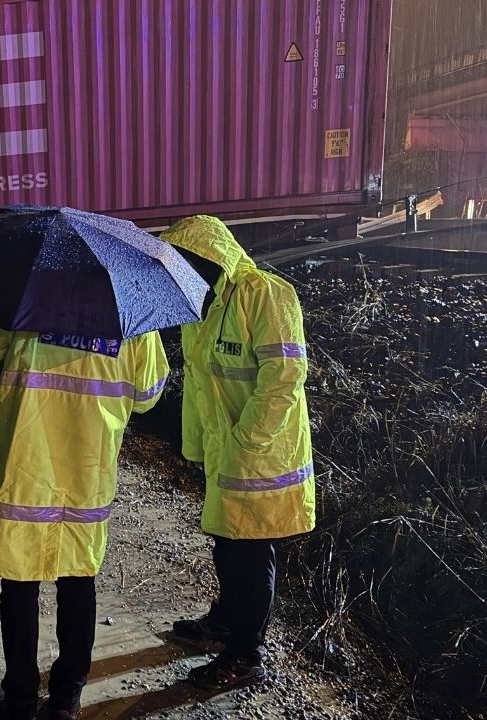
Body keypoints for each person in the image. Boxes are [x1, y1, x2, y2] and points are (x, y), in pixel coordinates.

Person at [0, 323, 169, 720]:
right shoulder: (130, 313)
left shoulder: (21, 295)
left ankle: (21, 698)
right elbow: (147, 395)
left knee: (19, 583)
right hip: (86, 471)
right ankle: (65, 701)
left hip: (27, 470)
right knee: (78, 581)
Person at [158, 215, 315, 689]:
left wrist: (245, 444)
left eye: (190, 261)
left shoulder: (265, 294)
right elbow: (203, 386)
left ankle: (247, 654)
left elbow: (284, 377)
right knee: (227, 544)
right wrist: (200, 448)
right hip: (226, 455)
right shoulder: (202, 305)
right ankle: (225, 624)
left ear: (215, 258)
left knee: (249, 554)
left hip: (261, 459)